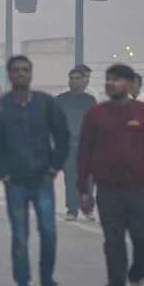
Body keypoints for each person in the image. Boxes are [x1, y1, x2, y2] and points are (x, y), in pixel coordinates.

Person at [78, 63, 144, 286]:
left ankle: (137, 276)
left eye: (117, 80)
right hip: (108, 190)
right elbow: (84, 153)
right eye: (108, 79)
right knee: (113, 242)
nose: (111, 84)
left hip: (139, 188)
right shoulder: (95, 115)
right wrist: (83, 190)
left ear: (130, 84)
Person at [0, 55, 70, 286]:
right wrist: (3, 173)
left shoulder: (45, 104)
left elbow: (62, 136)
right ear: (10, 75)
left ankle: (47, 279)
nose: (21, 74)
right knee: (20, 237)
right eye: (16, 70)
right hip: (15, 182)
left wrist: (54, 168)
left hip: (42, 178)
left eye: (25, 70)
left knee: (49, 232)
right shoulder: (0, 108)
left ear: (31, 74)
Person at [55, 67, 98, 220]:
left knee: (89, 179)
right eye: (72, 78)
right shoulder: (60, 100)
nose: (74, 81)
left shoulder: (90, 100)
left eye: (77, 78)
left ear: (83, 80)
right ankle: (72, 210)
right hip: (68, 144)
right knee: (70, 178)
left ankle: (87, 209)